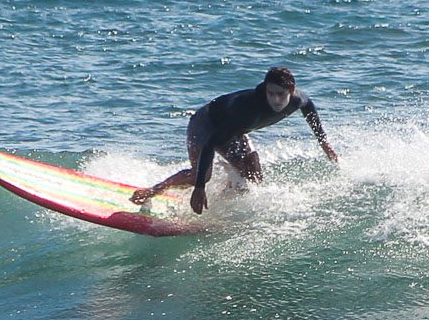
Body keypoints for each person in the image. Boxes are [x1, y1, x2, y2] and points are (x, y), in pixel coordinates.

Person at [129, 66, 338, 213]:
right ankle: (153, 191)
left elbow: (310, 110)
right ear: (265, 89)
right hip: (206, 124)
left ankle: (224, 199)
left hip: (233, 130)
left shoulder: (298, 100)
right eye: (271, 93)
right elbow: (211, 144)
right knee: (201, 175)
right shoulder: (248, 109)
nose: (275, 100)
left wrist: (324, 143)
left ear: (291, 91)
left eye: (280, 94)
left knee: (254, 176)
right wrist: (199, 188)